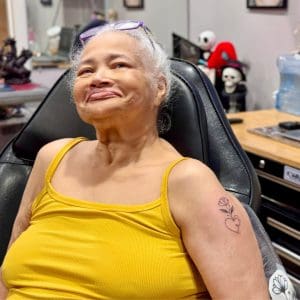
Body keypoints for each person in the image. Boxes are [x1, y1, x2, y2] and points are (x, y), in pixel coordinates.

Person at [0, 20, 269, 299]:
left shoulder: (189, 182)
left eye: (119, 65)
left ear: (159, 87)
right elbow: (7, 277)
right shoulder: (50, 158)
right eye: (86, 70)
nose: (97, 78)